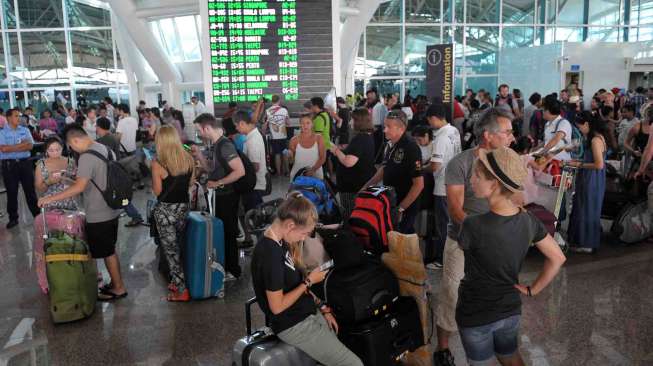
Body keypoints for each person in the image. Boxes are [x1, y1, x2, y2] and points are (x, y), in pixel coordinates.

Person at [457, 146, 566, 366]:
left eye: (477, 175)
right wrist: (532, 289)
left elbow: (468, 250)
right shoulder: (528, 219)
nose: (472, 179)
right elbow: (558, 257)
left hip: (476, 311)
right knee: (510, 357)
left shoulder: (472, 224)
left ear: (494, 184)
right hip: (510, 309)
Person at [433, 108, 515, 366]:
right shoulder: (461, 163)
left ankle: (492, 346)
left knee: (495, 299)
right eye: (507, 132)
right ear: (489, 136)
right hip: (463, 242)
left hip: (497, 246)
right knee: (452, 294)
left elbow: (516, 201)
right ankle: (443, 349)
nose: (512, 137)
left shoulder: (509, 161)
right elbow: (456, 210)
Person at [251, 192, 363, 366]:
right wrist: (309, 281)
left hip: (304, 312)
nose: (303, 238)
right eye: (303, 233)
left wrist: (322, 307)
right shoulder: (270, 254)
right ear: (290, 225)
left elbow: (294, 282)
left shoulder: (281, 240)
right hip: (292, 324)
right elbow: (277, 307)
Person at [38, 125, 127, 301]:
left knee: (106, 252)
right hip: (112, 208)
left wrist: (50, 199)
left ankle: (118, 288)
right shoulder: (104, 148)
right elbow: (93, 179)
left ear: (75, 140)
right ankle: (116, 284)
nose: (73, 150)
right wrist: (67, 179)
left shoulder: (86, 156)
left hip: (98, 212)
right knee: (110, 249)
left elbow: (80, 187)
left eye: (71, 146)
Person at [193, 113, 245, 280]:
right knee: (222, 232)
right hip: (218, 196)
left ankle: (234, 270)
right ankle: (226, 266)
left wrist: (219, 183)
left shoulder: (225, 146)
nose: (199, 134)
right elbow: (211, 169)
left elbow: (240, 171)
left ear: (207, 128)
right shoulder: (215, 145)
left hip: (227, 196)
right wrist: (199, 156)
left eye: (199, 130)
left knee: (229, 233)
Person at [151, 126, 195, 301]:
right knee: (181, 245)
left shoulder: (158, 163)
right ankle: (178, 281)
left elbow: (157, 191)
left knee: (171, 251)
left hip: (165, 212)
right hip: (183, 209)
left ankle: (182, 291)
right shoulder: (188, 159)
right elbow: (191, 183)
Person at [362, 110, 424, 234]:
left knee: (403, 241)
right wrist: (366, 187)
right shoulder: (391, 145)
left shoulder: (411, 147)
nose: (384, 130)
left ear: (401, 128)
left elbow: (419, 184)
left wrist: (401, 209)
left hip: (404, 205)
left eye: (388, 127)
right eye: (385, 126)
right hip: (391, 202)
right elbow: (384, 169)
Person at [425, 104, 461, 270]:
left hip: (442, 187)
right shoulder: (454, 131)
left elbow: (435, 166)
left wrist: (420, 168)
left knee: (443, 225)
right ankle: (450, 258)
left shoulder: (441, 137)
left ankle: (441, 260)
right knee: (451, 223)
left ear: (433, 118)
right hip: (455, 184)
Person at [567, 112, 608, 254]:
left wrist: (579, 165)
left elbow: (598, 165)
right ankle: (584, 241)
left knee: (587, 208)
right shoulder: (595, 137)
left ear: (587, 124)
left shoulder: (595, 140)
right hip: (591, 177)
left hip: (592, 178)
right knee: (586, 207)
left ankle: (586, 243)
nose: (579, 130)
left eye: (580, 127)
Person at [330, 108, 376, 219]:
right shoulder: (366, 136)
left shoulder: (360, 139)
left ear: (359, 122)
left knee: (351, 216)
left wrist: (336, 150)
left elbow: (348, 162)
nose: (350, 122)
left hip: (353, 187)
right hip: (358, 183)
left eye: (352, 119)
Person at [0, 108, 40, 228]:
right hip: (9, 165)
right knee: (12, 192)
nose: (19, 118)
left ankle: (37, 215)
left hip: (25, 163)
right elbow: (3, 149)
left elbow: (30, 146)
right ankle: (13, 218)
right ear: (8, 118)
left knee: (30, 191)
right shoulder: (1, 132)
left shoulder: (25, 130)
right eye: (16, 116)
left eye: (19, 116)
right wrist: (22, 145)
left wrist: (13, 147)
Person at [234, 110, 267, 211]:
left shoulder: (253, 140)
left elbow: (255, 166)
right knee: (257, 212)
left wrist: (238, 170)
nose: (236, 128)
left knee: (254, 214)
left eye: (236, 126)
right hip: (254, 184)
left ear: (242, 123)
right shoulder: (252, 136)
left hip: (254, 185)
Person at [34, 137, 78, 211]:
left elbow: (79, 183)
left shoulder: (70, 162)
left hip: (70, 201)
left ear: (62, 147)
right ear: (46, 150)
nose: (55, 153)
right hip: (50, 204)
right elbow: (39, 189)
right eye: (51, 150)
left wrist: (67, 180)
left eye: (58, 150)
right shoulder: (41, 165)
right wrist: (49, 181)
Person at [289, 114, 326, 180]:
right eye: (302, 123)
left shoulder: (319, 138)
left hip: (316, 174)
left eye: (308, 123)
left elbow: (322, 157)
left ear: (312, 124)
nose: (305, 126)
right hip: (298, 175)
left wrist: (313, 170)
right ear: (300, 124)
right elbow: (291, 161)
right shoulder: (293, 140)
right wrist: (290, 156)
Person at [541, 95, 573, 162]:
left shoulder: (564, 123)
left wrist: (541, 153)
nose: (542, 112)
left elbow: (556, 139)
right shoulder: (547, 124)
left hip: (561, 162)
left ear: (548, 111)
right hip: (549, 160)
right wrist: (535, 150)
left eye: (543, 110)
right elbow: (546, 141)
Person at [265, 95, 290, 176]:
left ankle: (279, 173)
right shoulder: (284, 110)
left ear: (272, 101)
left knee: (277, 154)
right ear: (279, 100)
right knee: (285, 153)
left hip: (274, 137)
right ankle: (287, 172)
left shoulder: (268, 110)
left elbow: (265, 123)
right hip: (283, 136)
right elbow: (288, 123)